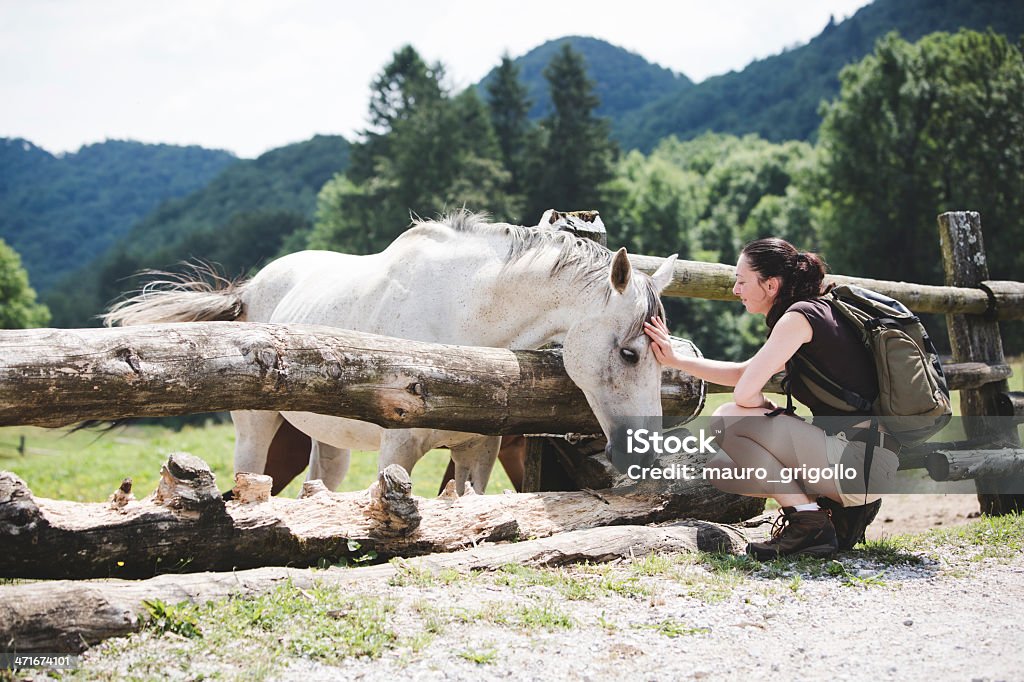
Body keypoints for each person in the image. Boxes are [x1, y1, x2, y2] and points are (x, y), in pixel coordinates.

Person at [644, 237, 899, 560]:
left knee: (728, 418)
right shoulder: (813, 314)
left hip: (860, 461)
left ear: (771, 284)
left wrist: (769, 413)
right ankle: (822, 514)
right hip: (867, 460)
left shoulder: (798, 319)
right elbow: (744, 373)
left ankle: (810, 524)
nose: (735, 289)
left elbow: (744, 393)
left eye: (741, 281)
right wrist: (676, 360)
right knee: (722, 468)